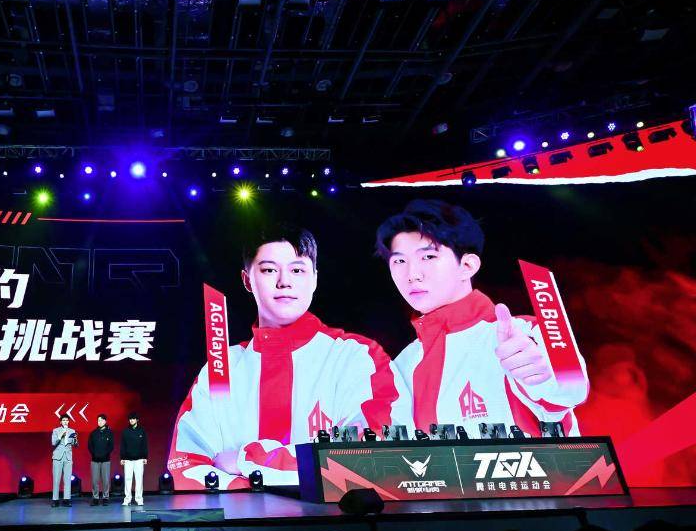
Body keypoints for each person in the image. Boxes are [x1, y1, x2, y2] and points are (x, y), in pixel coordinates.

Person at [167, 225, 398, 489]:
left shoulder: (357, 356)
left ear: (314, 278)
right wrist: (254, 497)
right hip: (239, 516)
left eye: (297, 270)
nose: (284, 282)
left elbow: (370, 454)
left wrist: (246, 460)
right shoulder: (222, 368)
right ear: (247, 280)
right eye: (269, 270)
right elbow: (185, 466)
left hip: (336, 515)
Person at [375, 200, 589, 437]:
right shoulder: (403, 364)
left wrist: (544, 376)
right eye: (399, 261)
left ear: (467, 265)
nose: (412, 275)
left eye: (428, 257)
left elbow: (573, 389)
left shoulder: (528, 331)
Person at [121, 412, 148, 506]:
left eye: (133, 419)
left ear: (137, 420)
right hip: (128, 460)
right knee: (128, 479)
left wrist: (145, 457)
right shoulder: (125, 431)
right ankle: (127, 499)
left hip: (139, 459)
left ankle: (139, 499)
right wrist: (122, 457)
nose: (131, 420)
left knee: (139, 479)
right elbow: (123, 445)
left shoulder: (142, 431)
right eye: (130, 419)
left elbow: (144, 444)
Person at [50, 414, 77, 507]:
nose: (65, 422)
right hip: (58, 457)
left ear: (69, 421)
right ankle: (55, 500)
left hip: (68, 457)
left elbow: (75, 444)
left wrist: (75, 440)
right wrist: (61, 435)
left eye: (67, 420)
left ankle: (66, 499)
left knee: (67, 479)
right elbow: (53, 443)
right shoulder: (56, 430)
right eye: (64, 420)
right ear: (60, 422)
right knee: (56, 479)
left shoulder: (72, 431)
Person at [88, 413, 115, 505]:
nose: (99, 422)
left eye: (101, 420)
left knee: (105, 480)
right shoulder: (93, 433)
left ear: (105, 421)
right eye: (98, 420)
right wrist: (94, 454)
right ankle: (95, 498)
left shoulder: (109, 433)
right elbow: (90, 446)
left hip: (106, 460)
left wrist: (105, 454)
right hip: (95, 460)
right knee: (95, 480)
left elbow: (111, 446)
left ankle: (105, 498)